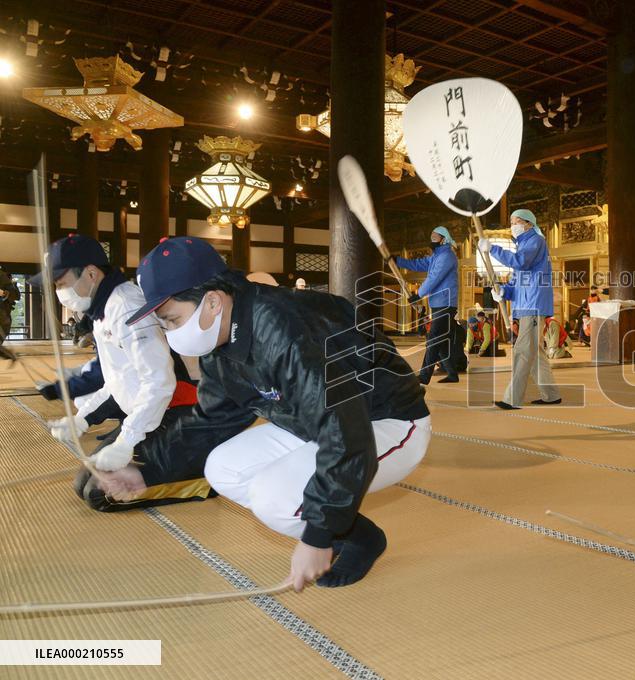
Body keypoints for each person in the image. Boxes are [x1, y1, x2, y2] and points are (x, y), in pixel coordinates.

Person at [127, 236, 431, 591]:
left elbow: (345, 429)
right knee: (221, 469)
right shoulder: (220, 344)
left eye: (172, 320)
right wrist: (143, 470)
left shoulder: (283, 327)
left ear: (211, 301)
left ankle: (346, 533)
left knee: (275, 498)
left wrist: (317, 537)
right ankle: (356, 531)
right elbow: (210, 422)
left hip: (385, 420)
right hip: (313, 420)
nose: (171, 333)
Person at [32, 234, 244, 511]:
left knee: (101, 494)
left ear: (91, 273)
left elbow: (159, 384)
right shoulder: (102, 310)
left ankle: (202, 476)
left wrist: (125, 441)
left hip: (178, 411)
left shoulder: (126, 306)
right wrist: (82, 420)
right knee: (84, 482)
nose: (59, 291)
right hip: (148, 415)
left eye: (61, 283)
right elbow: (119, 380)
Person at [479, 209, 560, 409]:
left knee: (523, 351)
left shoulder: (536, 241)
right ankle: (551, 394)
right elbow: (517, 281)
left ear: (529, 224)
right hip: (525, 305)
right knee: (534, 353)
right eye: (512, 222)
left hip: (533, 305)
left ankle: (512, 399)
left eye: (516, 222)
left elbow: (520, 262)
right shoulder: (523, 245)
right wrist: (503, 292)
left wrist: (493, 249)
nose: (513, 226)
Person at [394, 226, 460, 384]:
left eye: (435, 236)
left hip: (445, 303)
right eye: (431, 235)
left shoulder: (447, 256)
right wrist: (398, 260)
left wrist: (418, 294)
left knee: (433, 338)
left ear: (443, 239)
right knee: (440, 340)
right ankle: (452, 374)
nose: (432, 239)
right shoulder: (436, 257)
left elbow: (434, 278)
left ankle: (424, 376)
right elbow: (418, 264)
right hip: (439, 303)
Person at [0, 264, 20, 351]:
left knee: (5, 324)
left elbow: (16, 296)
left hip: (3, 307)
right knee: (5, 324)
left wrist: (4, 293)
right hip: (3, 309)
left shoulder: (3, 276)